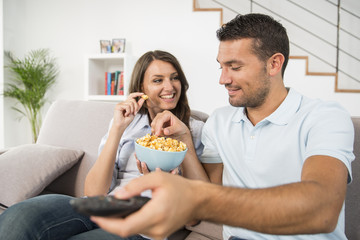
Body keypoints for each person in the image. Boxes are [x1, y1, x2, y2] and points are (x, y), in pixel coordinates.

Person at [91, 13, 355, 240]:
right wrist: (184, 142)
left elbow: (322, 210)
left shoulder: (324, 117)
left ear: (274, 64)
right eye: (221, 66)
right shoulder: (219, 122)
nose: (222, 79)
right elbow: (208, 193)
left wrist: (195, 197)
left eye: (235, 67)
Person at [0, 50, 209, 240]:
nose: (169, 87)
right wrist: (117, 129)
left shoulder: (195, 130)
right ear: (141, 89)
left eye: (174, 78)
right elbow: (93, 193)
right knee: (19, 216)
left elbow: (201, 204)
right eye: (158, 80)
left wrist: (185, 140)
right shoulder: (127, 123)